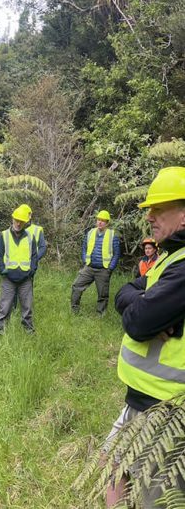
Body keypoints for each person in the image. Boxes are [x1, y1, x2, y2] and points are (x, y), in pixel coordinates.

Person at [104, 166, 185, 506]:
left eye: (159, 208)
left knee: (155, 497)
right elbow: (127, 293)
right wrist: (140, 301)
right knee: (112, 465)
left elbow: (136, 321)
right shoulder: (170, 257)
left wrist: (140, 306)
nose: (149, 217)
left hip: (167, 408)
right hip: (142, 399)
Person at [0, 205, 38, 333]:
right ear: (12, 219)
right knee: (4, 306)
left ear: (25, 222)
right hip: (9, 279)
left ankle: (28, 330)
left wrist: (32, 271)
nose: (18, 223)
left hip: (26, 279)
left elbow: (34, 256)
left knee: (27, 307)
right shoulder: (4, 235)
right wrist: (2, 269)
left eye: (21, 221)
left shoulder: (30, 237)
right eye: (16, 220)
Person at [70, 210, 121, 315]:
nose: (100, 222)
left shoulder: (112, 235)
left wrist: (110, 268)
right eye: (98, 220)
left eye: (103, 221)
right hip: (89, 268)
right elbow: (84, 247)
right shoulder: (90, 233)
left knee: (102, 294)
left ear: (107, 223)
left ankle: (100, 314)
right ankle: (74, 310)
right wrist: (85, 260)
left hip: (103, 269)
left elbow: (117, 254)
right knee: (76, 285)